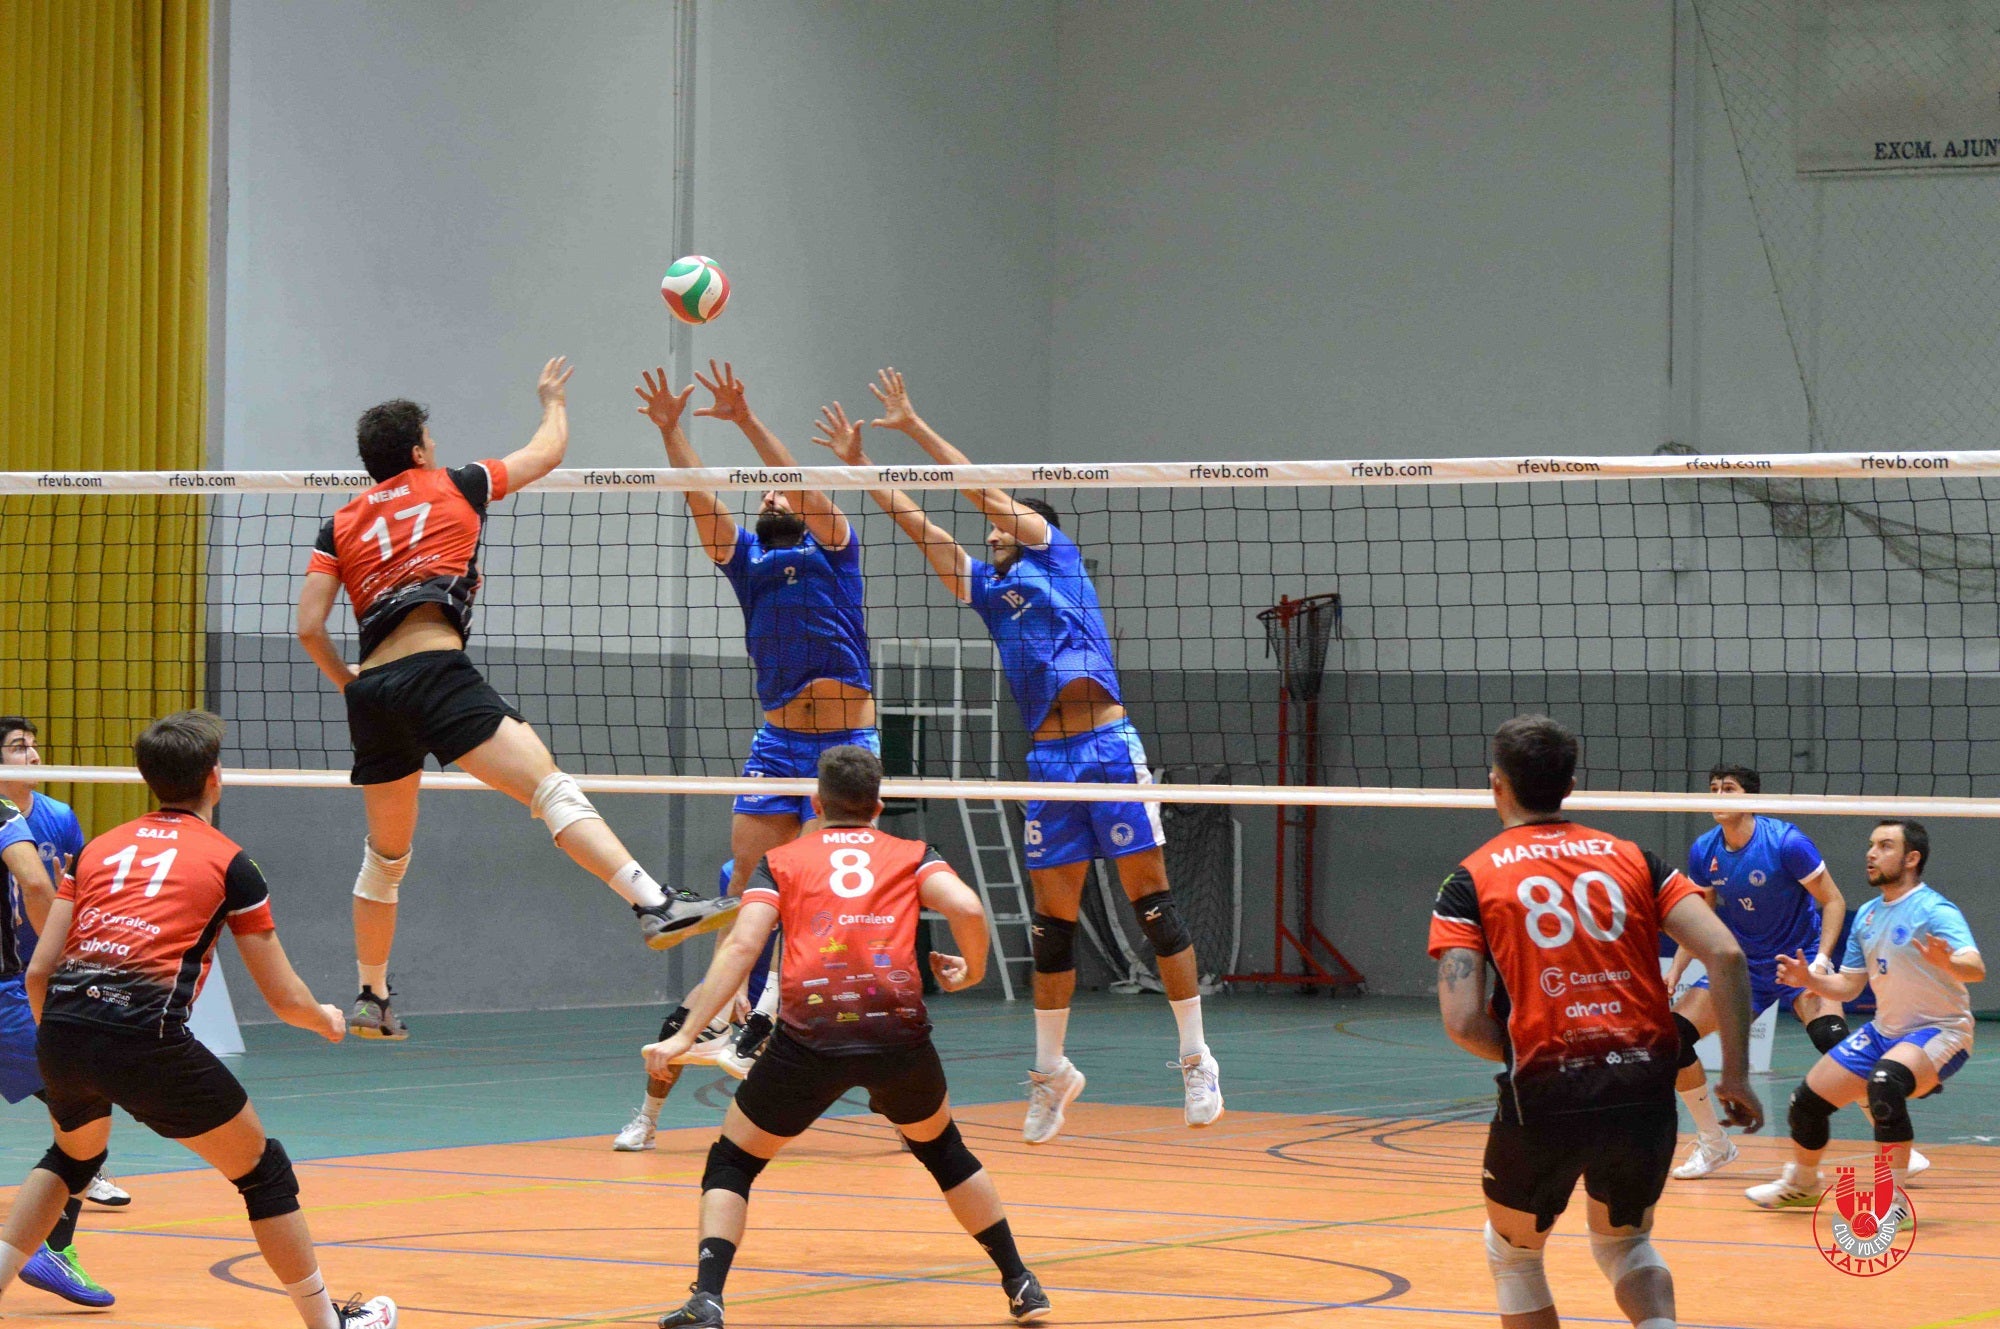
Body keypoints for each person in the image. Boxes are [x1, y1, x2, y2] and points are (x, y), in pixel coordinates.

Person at [810, 372, 1220, 1144]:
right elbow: (921, 528)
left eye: (1005, 525)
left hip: (1107, 747)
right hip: (1049, 762)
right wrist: (864, 468)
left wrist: (915, 423)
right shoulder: (988, 591)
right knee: (1051, 927)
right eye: (994, 530)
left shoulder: (1053, 557)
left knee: (1153, 906)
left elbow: (979, 494)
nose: (991, 532)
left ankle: (1197, 1056)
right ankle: (1051, 1072)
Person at [298, 357, 733, 1040]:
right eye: (430, 439)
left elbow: (307, 626)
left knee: (385, 858)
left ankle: (372, 993)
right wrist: (552, 399)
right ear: (417, 450)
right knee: (550, 789)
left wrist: (352, 684)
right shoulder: (456, 483)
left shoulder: (342, 521)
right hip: (438, 671)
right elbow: (547, 452)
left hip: (374, 691)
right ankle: (654, 902)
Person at [0, 712, 396, 1327]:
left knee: (71, 1159)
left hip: (64, 1031)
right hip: (146, 1041)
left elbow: (37, 972)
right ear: (215, 778)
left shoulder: (98, 847)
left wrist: (66, 1039)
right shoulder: (231, 862)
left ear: (147, 779)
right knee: (264, 1172)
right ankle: (329, 1324)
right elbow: (282, 998)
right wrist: (326, 1019)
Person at [643, 746, 1050, 1329]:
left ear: (815, 804)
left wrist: (685, 1035)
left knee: (732, 1162)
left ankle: (707, 1299)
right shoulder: (911, 854)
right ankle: (1021, 1281)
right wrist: (975, 969)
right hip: (899, 1040)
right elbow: (966, 907)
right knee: (943, 1153)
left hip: (810, 1042)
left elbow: (741, 947)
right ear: (878, 806)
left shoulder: (781, 859)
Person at [1429, 714, 1762, 1329]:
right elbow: (1727, 955)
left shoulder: (1470, 879)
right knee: (1624, 1243)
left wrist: (1530, 1050)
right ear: (1572, 784)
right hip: (1643, 1089)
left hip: (1546, 1094)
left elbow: (1463, 1018)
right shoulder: (1636, 859)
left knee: (1513, 1255)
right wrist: (1735, 1077)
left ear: (1495, 784)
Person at [635, 362, 874, 1063]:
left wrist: (744, 419)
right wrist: (672, 431)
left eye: (780, 489)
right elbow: (701, 499)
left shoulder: (836, 549)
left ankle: (790, 1016)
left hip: (845, 747)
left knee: (824, 892)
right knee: (741, 880)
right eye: (764, 490)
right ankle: (726, 1006)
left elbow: (800, 480)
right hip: (778, 742)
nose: (771, 492)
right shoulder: (746, 557)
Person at [1745, 818, 1983, 1209]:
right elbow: (1850, 987)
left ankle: (1894, 1203)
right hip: (1884, 1031)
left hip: (1941, 1031)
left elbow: (1976, 967)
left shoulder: (1934, 909)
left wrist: (1951, 963)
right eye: (1871, 845)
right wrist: (1811, 980)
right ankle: (1804, 1183)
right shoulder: (1870, 915)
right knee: (1805, 1102)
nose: (1871, 854)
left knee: (1885, 1083)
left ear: (1912, 858)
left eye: (1885, 846)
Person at [1664, 763, 1856, 1179]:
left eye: (1727, 789)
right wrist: (1676, 970)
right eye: (1712, 789)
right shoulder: (1704, 850)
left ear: (1749, 799)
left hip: (1798, 960)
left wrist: (1820, 965)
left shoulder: (1787, 842)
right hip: (1743, 968)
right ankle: (1713, 1142)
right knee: (1672, 1037)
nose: (1717, 796)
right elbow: (1700, 915)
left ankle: (1894, 1141)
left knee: (1833, 1039)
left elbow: (1834, 900)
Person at [0, 718, 128, 1211]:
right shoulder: (6, 815)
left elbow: (73, 883)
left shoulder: (56, 814)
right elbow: (36, 886)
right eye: (18, 748)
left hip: (34, 965)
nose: (32, 756)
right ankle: (75, 1191)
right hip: (13, 973)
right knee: (67, 1075)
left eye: (34, 747)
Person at [612, 859, 777, 1152]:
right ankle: (647, 1123)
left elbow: (790, 939)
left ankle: (889, 1112)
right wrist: (735, 986)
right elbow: (729, 930)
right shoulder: (734, 870)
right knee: (674, 1030)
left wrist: (767, 1005)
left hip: (786, 974)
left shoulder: (797, 867)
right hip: (738, 965)